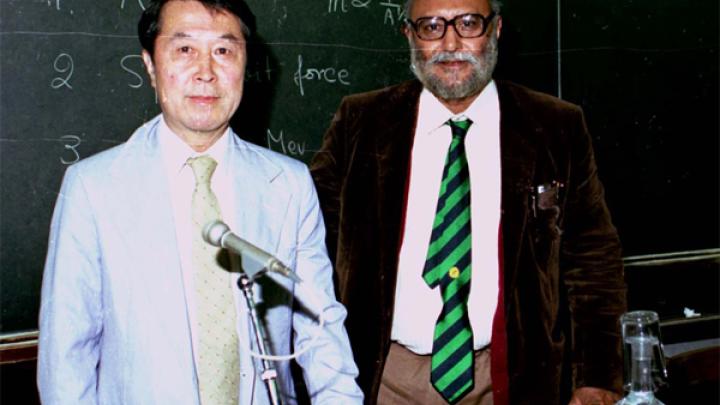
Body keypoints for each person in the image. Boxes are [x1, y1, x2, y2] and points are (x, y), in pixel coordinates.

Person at [37, 0, 363, 404]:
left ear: (247, 64)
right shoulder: (93, 188)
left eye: (224, 51)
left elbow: (321, 330)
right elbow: (66, 358)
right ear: (151, 66)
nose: (206, 72)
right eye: (185, 49)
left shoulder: (289, 185)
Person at [310, 0, 627, 404]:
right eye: (431, 27)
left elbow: (593, 262)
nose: (451, 42)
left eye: (468, 23)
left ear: (495, 30)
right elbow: (307, 248)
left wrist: (598, 379)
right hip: (381, 378)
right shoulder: (361, 122)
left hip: (509, 379)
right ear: (410, 36)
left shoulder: (555, 126)